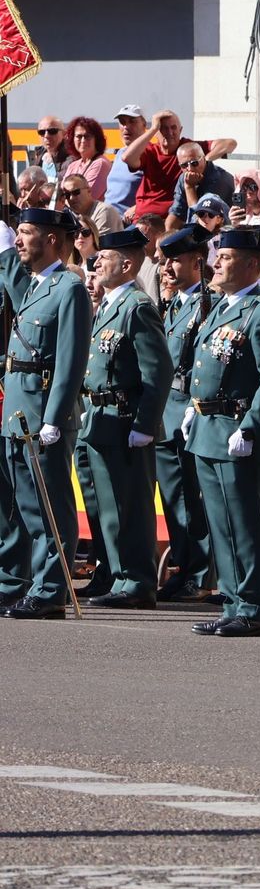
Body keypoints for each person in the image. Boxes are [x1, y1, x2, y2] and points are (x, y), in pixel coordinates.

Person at [185, 225, 260, 638]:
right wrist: (194, 408)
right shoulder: (225, 306)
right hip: (209, 426)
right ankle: (233, 600)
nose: (216, 263)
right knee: (221, 522)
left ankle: (252, 604)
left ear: (250, 263)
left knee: (245, 521)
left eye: (224, 258)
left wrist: (251, 424)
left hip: (236, 429)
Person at [0, 207, 92, 618]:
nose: (19, 240)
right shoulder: (37, 286)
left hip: (42, 414)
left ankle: (52, 588)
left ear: (53, 239)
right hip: (18, 411)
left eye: (26, 232)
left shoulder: (68, 288)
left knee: (50, 505)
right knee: (25, 507)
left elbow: (71, 359)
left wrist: (55, 416)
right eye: (17, 233)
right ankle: (27, 582)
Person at [77, 227, 171, 609]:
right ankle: (117, 575)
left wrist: (145, 426)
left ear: (128, 263)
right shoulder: (109, 305)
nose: (97, 261)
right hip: (99, 418)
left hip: (124, 419)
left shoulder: (136, 306)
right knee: (106, 505)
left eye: (106, 256)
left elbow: (158, 371)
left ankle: (136, 581)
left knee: (128, 505)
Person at [153, 226, 215, 602]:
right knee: (174, 497)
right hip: (166, 410)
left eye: (175, 260)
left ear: (197, 262)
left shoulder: (206, 305)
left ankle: (201, 573)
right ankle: (186, 566)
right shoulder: (174, 304)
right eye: (165, 260)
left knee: (193, 498)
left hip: (187, 409)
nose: (167, 268)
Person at [120, 110, 236, 220]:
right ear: (156, 133)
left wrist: (204, 159)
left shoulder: (189, 150)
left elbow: (230, 143)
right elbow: (127, 157)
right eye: (164, 128)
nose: (170, 133)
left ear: (180, 130)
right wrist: (153, 128)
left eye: (173, 128)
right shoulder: (150, 151)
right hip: (141, 218)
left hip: (168, 219)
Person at [166, 142, 235, 230]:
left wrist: (189, 187)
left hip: (222, 230)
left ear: (203, 159)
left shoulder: (220, 179)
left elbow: (200, 221)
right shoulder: (184, 177)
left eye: (194, 163)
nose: (190, 169)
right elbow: (176, 212)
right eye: (184, 165)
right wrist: (168, 235)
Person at [58, 173, 124, 239]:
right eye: (67, 195)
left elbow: (102, 245)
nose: (71, 198)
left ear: (89, 190)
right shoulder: (70, 214)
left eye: (76, 192)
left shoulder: (104, 211)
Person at [62, 116, 112, 202]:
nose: (83, 140)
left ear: (96, 139)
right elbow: (61, 193)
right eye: (79, 136)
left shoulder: (100, 164)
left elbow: (85, 200)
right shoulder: (72, 166)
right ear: (72, 139)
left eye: (87, 136)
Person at [33, 115, 71, 183]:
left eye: (52, 131)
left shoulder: (71, 159)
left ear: (64, 134)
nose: (46, 135)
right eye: (42, 132)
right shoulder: (39, 157)